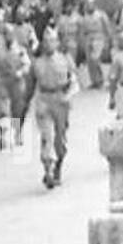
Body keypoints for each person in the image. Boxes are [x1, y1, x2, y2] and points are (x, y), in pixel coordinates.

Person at [22, 26, 78, 188]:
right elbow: (30, 87)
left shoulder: (65, 59)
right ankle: (48, 169)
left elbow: (74, 82)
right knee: (47, 135)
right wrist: (24, 107)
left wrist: (69, 95)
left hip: (61, 99)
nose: (48, 44)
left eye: (52, 41)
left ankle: (58, 166)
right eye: (45, 42)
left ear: (57, 42)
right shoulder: (36, 63)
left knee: (60, 138)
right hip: (43, 99)